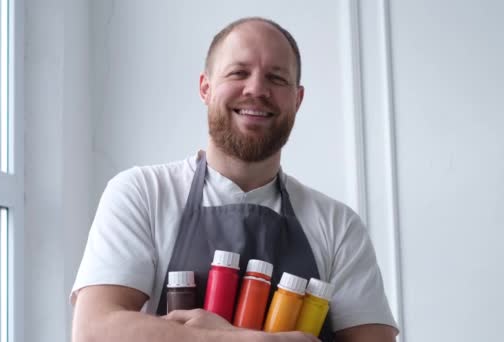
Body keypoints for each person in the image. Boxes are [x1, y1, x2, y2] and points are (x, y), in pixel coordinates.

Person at [71, 17, 398, 342]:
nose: (257, 89)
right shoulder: (142, 194)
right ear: (205, 88)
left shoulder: (338, 226)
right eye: (238, 73)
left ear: (297, 100)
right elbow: (93, 331)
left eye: (276, 77)